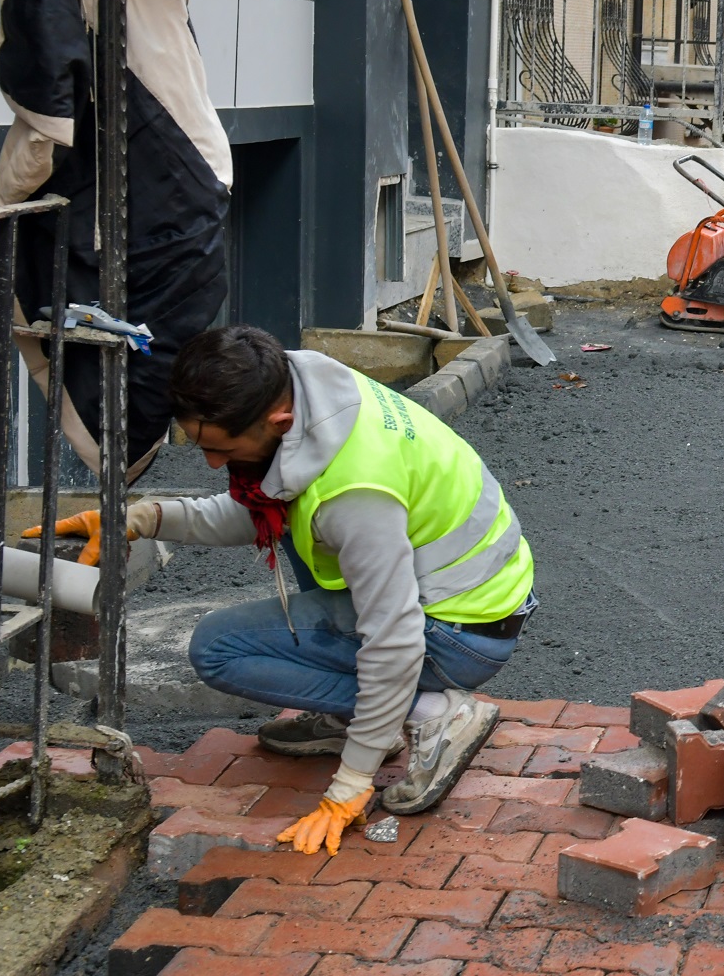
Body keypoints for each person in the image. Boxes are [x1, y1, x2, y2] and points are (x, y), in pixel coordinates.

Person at [29, 325, 537, 852]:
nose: (211, 463)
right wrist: (144, 517)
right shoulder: (311, 388)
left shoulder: (354, 493)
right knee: (298, 534)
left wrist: (349, 788)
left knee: (218, 649)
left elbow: (395, 638)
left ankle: (434, 713)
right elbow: (269, 512)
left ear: (279, 421)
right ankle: (366, 716)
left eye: (221, 447)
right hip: (476, 592)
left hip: (458, 632)